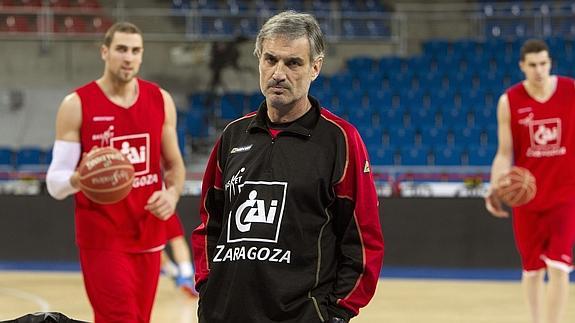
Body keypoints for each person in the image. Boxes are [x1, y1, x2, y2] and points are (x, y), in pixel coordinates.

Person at [191, 10, 384, 323]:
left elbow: (363, 238)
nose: (278, 73)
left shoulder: (340, 140)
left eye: (293, 63)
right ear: (259, 61)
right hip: (223, 312)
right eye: (270, 60)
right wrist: (207, 286)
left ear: (315, 67)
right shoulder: (232, 136)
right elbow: (209, 223)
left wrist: (338, 312)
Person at [45, 22, 185, 323]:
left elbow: (174, 165)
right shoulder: (77, 104)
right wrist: (79, 179)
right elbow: (55, 184)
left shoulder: (160, 100)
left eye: (136, 51)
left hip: (149, 234)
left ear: (142, 56)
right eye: (121, 49)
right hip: (103, 237)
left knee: (139, 319)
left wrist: (172, 194)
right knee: (120, 318)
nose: (128, 57)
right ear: (105, 52)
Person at [485, 39, 575, 323]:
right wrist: (495, 184)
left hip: (565, 195)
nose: (539, 70)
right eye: (533, 65)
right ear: (522, 66)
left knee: (560, 266)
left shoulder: (571, 91)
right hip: (527, 199)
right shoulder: (508, 101)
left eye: (544, 63)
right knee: (532, 270)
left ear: (550, 63)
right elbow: (504, 152)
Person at [161, 213, 197, 297]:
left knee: (155, 245)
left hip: (153, 208)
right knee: (176, 239)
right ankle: (185, 274)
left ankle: (176, 273)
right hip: (163, 207)